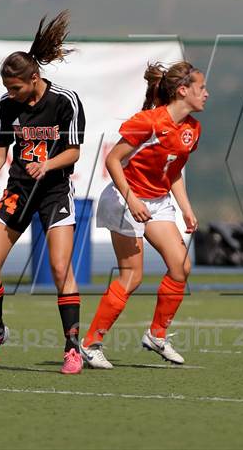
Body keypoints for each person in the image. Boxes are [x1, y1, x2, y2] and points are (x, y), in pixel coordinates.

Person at [0, 10, 85, 374]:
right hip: (18, 190)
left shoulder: (65, 101)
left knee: (60, 267)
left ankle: (72, 346)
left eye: (15, 87)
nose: (10, 93)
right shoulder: (8, 105)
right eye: (7, 88)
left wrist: (47, 165)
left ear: (34, 78)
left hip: (53, 192)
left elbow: (75, 151)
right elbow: (1, 152)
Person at [80, 61, 208, 368]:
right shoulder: (148, 122)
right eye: (201, 88)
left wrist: (186, 208)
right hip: (125, 199)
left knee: (181, 266)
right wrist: (132, 198)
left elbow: (173, 170)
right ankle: (90, 343)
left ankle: (156, 335)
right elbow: (112, 160)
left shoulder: (192, 128)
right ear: (182, 90)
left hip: (158, 201)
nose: (206, 93)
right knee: (132, 275)